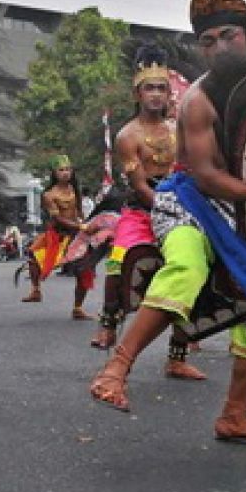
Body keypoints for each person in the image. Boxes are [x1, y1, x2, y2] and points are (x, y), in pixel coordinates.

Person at [89, 0, 246, 446]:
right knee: (187, 265)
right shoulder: (198, 101)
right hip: (187, 202)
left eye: (229, 36)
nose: (220, 47)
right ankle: (116, 368)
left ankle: (235, 416)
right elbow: (206, 175)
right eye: (208, 41)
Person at [91, 44, 205, 381]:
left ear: (170, 93)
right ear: (137, 93)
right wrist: (169, 207)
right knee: (119, 259)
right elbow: (140, 186)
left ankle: (177, 357)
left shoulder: (177, 129)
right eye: (149, 88)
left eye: (161, 88)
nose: (156, 95)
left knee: (194, 270)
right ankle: (109, 323)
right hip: (143, 210)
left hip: (182, 207)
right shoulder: (128, 136)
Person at [20, 156, 95, 320]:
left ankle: (77, 308)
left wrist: (86, 225)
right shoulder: (49, 195)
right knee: (33, 256)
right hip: (57, 235)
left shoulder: (76, 190)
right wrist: (81, 226)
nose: (65, 173)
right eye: (61, 170)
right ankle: (36, 290)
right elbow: (57, 219)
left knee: (85, 271)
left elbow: (80, 212)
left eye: (68, 169)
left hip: (77, 235)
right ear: (54, 173)